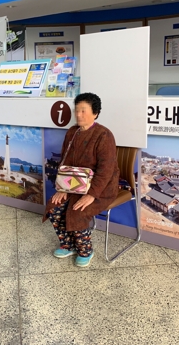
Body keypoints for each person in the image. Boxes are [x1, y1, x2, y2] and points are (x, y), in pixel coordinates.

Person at [43, 93, 119, 267]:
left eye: (83, 111)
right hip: (74, 184)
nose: (78, 115)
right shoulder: (72, 132)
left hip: (101, 187)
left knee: (77, 210)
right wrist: (62, 188)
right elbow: (66, 162)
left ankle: (85, 250)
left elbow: (105, 170)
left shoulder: (104, 135)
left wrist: (92, 194)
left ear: (96, 113)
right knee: (54, 206)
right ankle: (68, 244)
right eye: (77, 110)